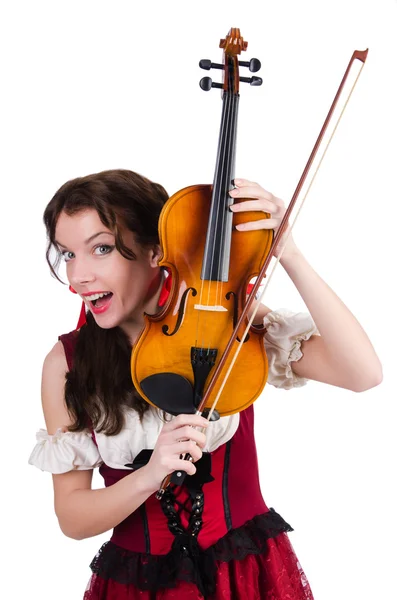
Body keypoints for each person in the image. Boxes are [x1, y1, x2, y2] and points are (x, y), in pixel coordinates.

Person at [29, 169, 382, 600]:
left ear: (156, 250)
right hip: (137, 588)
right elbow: (72, 517)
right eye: (68, 254)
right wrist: (149, 475)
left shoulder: (225, 322)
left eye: (101, 249)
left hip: (247, 576)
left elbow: (363, 372)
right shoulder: (66, 363)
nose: (77, 277)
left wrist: (288, 253)